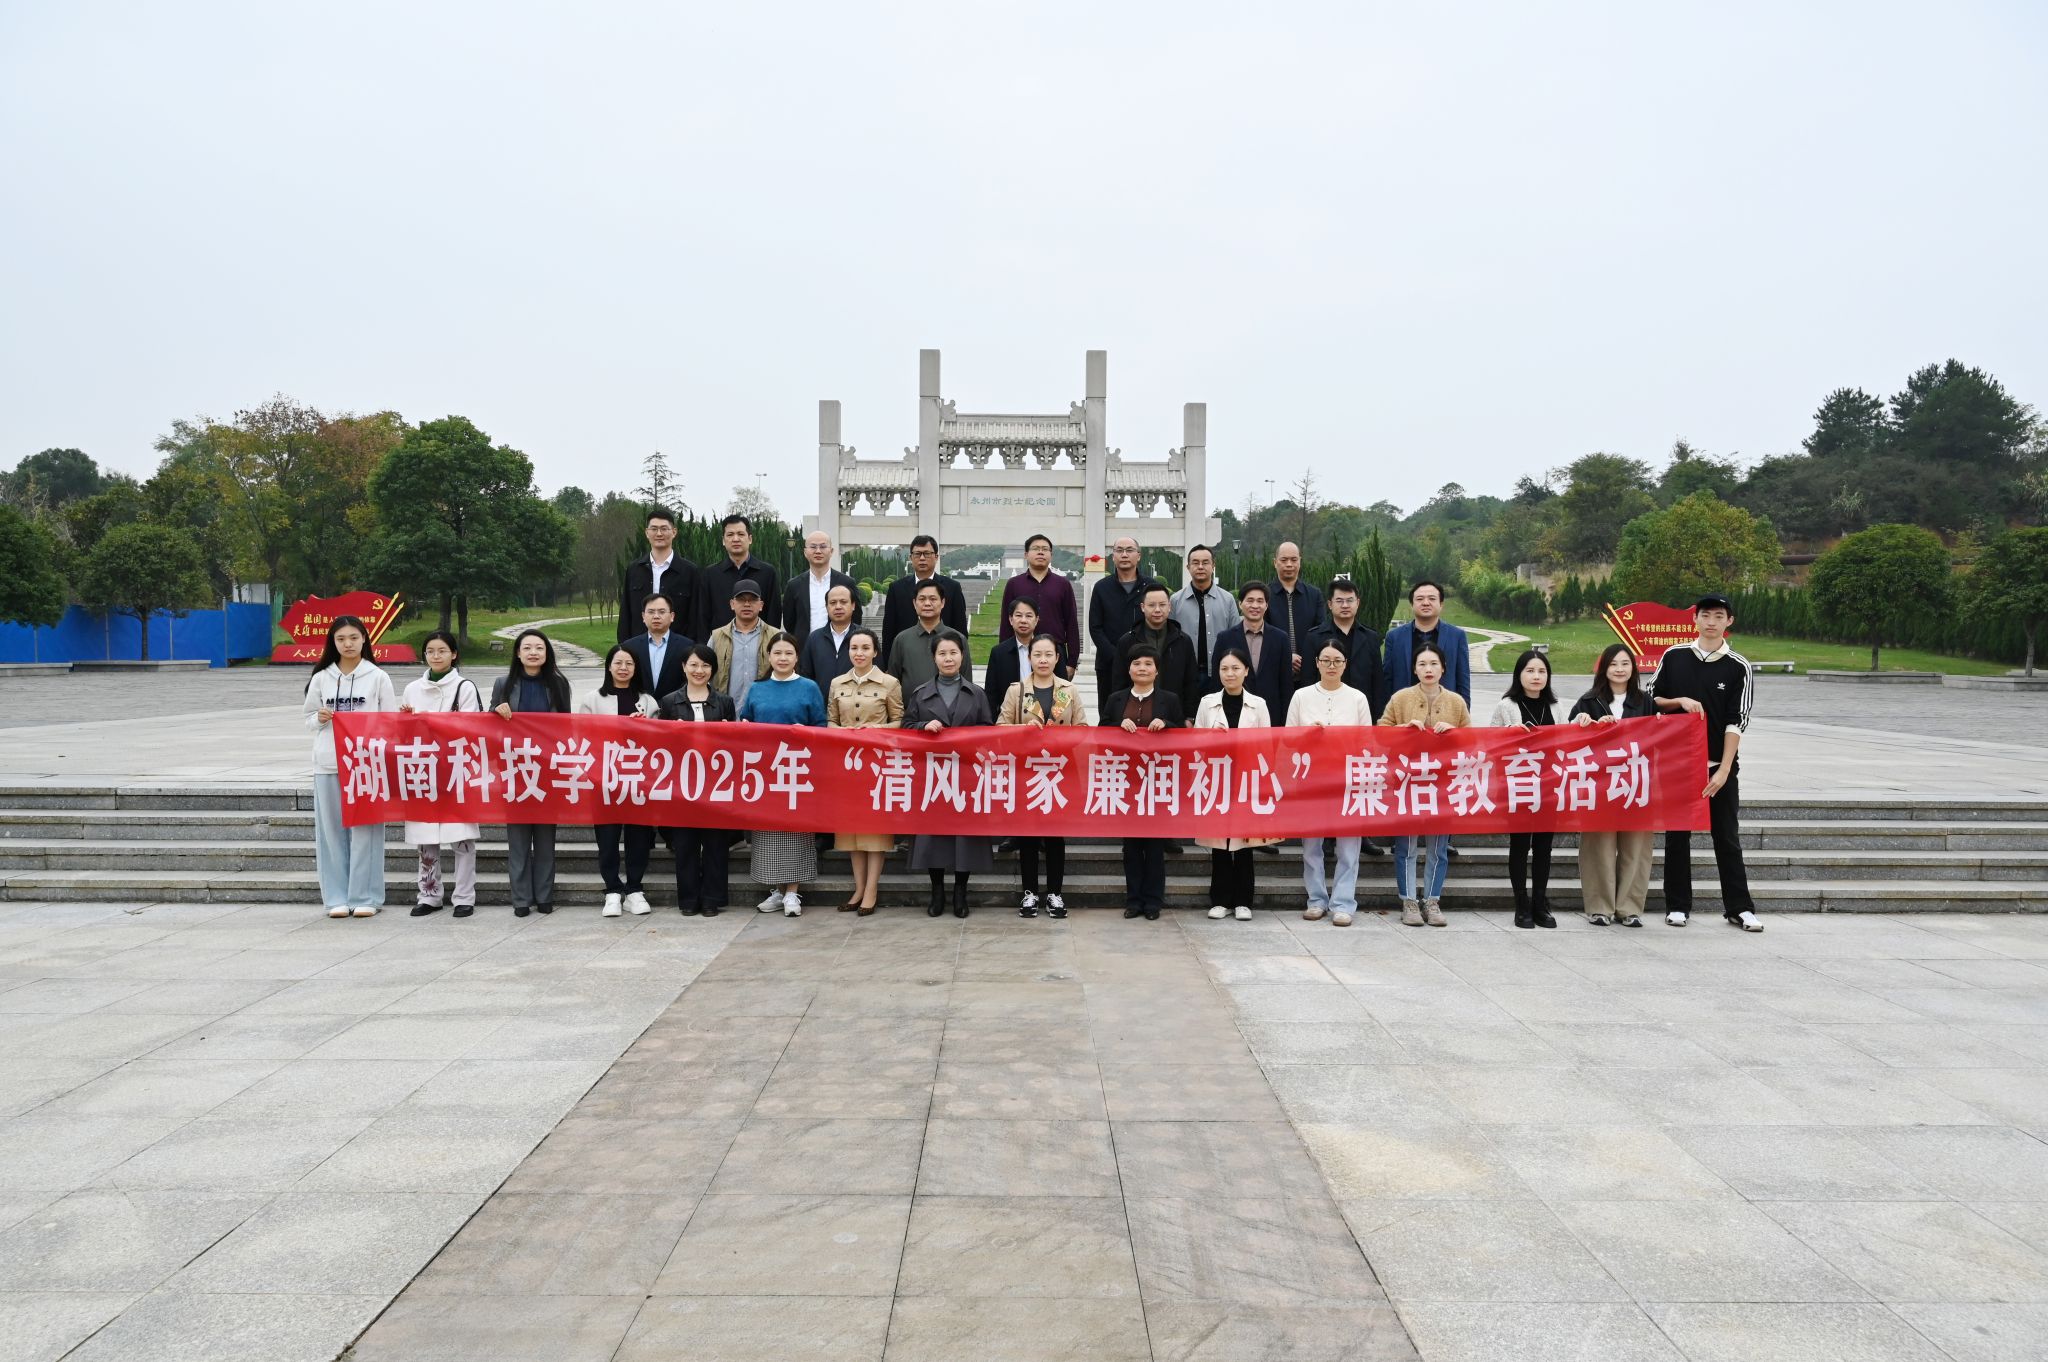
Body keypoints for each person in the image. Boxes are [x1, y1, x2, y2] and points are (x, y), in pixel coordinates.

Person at [1654, 594, 1761, 932]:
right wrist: (1679, 701)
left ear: (1729, 621)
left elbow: (1737, 721)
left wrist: (1725, 769)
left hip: (1719, 766)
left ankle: (1739, 908)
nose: (1711, 622)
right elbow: (1651, 697)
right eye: (1705, 615)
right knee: (1677, 837)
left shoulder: (1738, 666)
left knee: (1726, 836)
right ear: (1695, 619)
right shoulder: (1674, 656)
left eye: (1718, 616)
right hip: (1679, 765)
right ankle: (1677, 905)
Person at [304, 615, 399, 919]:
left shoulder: (378, 677)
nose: (348, 644)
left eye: (354, 638)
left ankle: (366, 896)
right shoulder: (322, 677)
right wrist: (318, 718)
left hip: (366, 765)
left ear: (364, 639)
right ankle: (336, 898)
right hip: (328, 763)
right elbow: (308, 718)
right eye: (341, 639)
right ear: (332, 642)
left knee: (366, 832)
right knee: (331, 832)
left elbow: (390, 721)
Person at [1379, 641, 1470, 926]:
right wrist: (1402, 729)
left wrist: (1454, 732)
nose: (1428, 669)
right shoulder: (1400, 698)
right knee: (1406, 846)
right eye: (1422, 664)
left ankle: (1432, 900)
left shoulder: (1456, 702)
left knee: (1438, 847)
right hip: (1408, 782)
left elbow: (1472, 740)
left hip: (1443, 785)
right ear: (1414, 669)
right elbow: (1381, 731)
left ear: (1443, 668)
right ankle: (1408, 901)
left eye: (1433, 664)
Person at [902, 636, 994, 919]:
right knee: (934, 835)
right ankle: (937, 890)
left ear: (962, 656)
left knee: (965, 836)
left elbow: (988, 731)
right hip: (933, 776)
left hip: (966, 775)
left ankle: (961, 891)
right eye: (942, 653)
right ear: (934, 658)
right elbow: (906, 728)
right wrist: (922, 725)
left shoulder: (976, 693)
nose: (948, 658)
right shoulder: (920, 693)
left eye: (953, 652)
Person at [997, 634, 1086, 918]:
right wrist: (1024, 731)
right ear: (1029, 658)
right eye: (1038, 655)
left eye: (1049, 654)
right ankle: (1030, 893)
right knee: (1028, 836)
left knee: (1055, 835)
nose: (1043, 660)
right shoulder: (1017, 690)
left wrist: (1063, 735)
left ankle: (1055, 894)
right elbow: (1000, 727)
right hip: (1027, 772)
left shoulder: (1068, 690)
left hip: (1060, 772)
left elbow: (1083, 728)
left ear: (1057, 658)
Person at [1286, 642, 1374, 926]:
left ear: (1345, 664)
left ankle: (1343, 903)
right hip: (1311, 779)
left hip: (1347, 779)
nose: (1331, 666)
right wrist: (1307, 734)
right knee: (1311, 845)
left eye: (1337, 660)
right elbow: (1287, 739)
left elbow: (1368, 742)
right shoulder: (1301, 696)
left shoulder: (1357, 698)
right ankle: (1316, 899)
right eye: (1326, 660)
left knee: (1348, 846)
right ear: (1316, 663)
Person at [1570, 643, 1658, 928]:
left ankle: (1629, 908)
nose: (1619, 669)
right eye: (1613, 664)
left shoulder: (1645, 701)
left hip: (1636, 785)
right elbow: (1569, 737)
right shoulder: (1588, 700)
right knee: (1599, 848)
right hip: (1599, 786)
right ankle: (1599, 907)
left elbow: (1659, 738)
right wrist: (1585, 723)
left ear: (1633, 668)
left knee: (1636, 848)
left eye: (1625, 663)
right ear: (1603, 668)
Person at [1380, 580, 1468, 860]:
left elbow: (1463, 679)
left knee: (1443, 782)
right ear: (1412, 604)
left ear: (1441, 603)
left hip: (1444, 723)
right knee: (1403, 780)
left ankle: (1444, 837)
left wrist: (1459, 719)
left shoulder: (1456, 636)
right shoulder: (1395, 637)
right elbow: (1388, 678)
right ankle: (1400, 835)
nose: (1426, 602)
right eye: (1420, 598)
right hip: (1407, 724)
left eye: (1432, 598)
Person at [739, 635, 827, 916]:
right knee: (768, 832)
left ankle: (792, 892)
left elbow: (821, 726)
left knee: (796, 830)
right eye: (777, 653)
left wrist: (805, 732)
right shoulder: (757, 688)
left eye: (789, 653)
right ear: (769, 656)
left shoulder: (809, 687)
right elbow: (746, 721)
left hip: (797, 769)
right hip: (764, 770)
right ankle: (777, 890)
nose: (783, 658)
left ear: (797, 656)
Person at [399, 630, 483, 919]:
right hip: (422, 770)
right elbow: (403, 732)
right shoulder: (412, 688)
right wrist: (407, 721)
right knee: (426, 839)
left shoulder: (464, 687)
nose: (436, 656)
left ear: (454, 654)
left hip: (455, 768)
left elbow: (472, 727)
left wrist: (432, 724)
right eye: (431, 651)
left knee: (461, 838)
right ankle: (429, 895)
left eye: (442, 651)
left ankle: (464, 897)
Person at [491, 629, 574, 917]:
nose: (533, 652)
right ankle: (521, 899)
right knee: (518, 840)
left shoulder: (559, 684)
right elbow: (487, 724)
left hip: (547, 770)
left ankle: (545, 896)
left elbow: (567, 726)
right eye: (527, 648)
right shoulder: (503, 684)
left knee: (545, 839)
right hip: (515, 770)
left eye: (539, 647)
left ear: (547, 653)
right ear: (518, 653)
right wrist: (496, 710)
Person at [1194, 648, 1281, 920]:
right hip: (1217, 779)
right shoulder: (1207, 703)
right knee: (1219, 843)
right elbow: (1195, 745)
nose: (1229, 674)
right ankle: (1220, 899)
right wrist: (1210, 737)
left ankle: (1244, 901)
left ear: (1245, 671)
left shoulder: (1259, 704)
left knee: (1245, 843)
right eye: (1224, 669)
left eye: (1235, 668)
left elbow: (1266, 746)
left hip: (1247, 778)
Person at [1101, 643, 1185, 919]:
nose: (1142, 668)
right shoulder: (1116, 699)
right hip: (1125, 782)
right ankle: (1134, 900)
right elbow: (1100, 733)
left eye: (1148, 664)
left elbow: (1183, 737)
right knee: (1132, 847)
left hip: (1157, 782)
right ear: (1129, 669)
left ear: (1156, 670)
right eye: (1137, 663)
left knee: (1155, 846)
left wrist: (1166, 725)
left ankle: (1153, 901)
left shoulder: (1169, 700)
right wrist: (1117, 726)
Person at [578, 644, 662, 917]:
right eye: (618, 663)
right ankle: (612, 890)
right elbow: (583, 738)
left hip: (638, 779)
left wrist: (643, 727)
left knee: (639, 837)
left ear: (636, 668)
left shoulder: (648, 701)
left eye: (629, 663)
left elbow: (659, 742)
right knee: (607, 838)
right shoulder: (592, 699)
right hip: (604, 780)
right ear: (609, 666)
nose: (623, 668)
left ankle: (635, 889)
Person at [827, 628, 903, 915]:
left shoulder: (889, 683)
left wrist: (877, 729)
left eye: (865, 648)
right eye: (854, 648)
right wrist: (841, 732)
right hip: (846, 766)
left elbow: (900, 721)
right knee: (851, 833)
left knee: (874, 832)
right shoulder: (837, 683)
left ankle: (871, 890)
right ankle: (858, 888)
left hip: (877, 766)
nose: (859, 653)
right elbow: (830, 720)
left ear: (875, 652)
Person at [659, 644, 736, 917]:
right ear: (684, 667)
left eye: (705, 665)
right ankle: (689, 899)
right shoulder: (669, 702)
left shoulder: (724, 702)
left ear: (712, 669)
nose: (699, 670)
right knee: (685, 843)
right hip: (682, 782)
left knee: (715, 843)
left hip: (716, 782)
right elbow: (660, 744)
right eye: (693, 665)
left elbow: (735, 745)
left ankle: (712, 898)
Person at [1488, 649, 1563, 930]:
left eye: (1541, 671)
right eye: (1530, 671)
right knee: (1520, 846)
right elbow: (1491, 744)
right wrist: (1509, 734)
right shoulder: (1506, 705)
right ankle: (1521, 904)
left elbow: (1566, 742)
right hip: (1518, 785)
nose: (1536, 676)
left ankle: (1540, 903)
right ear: (1519, 674)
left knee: (1544, 847)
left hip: (1549, 786)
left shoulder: (1555, 706)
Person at [1112, 583, 1200, 722]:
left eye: (1162, 605)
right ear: (1143, 607)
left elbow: (1191, 681)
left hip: (1173, 715)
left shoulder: (1183, 641)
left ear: (1169, 606)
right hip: (1134, 717)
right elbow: (1119, 681)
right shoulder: (1127, 641)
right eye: (1152, 605)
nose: (1157, 610)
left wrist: (1190, 717)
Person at [1089, 535, 1157, 703]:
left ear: (1138, 555)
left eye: (1129, 550)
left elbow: (1158, 621)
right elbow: (1095, 628)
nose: (1124, 555)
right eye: (1119, 550)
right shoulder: (1102, 587)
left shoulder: (1151, 587)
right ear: (1113, 556)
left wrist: (1142, 656)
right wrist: (1116, 656)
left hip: (1144, 663)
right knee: (1109, 712)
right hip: (1108, 664)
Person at [619, 506, 700, 643]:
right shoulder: (634, 570)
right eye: (654, 529)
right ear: (647, 532)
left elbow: (695, 617)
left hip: (678, 648)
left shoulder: (690, 571)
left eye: (664, 529)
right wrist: (625, 647)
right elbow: (625, 614)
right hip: (639, 647)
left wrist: (691, 649)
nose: (659, 533)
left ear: (674, 532)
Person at [1213, 581, 1292, 720]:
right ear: (1240, 604)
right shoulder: (1225, 638)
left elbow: (1286, 682)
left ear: (1266, 605)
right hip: (1234, 713)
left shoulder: (1281, 638)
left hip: (1271, 712)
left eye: (1260, 601)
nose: (1255, 605)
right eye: (1250, 600)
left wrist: (1286, 718)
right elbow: (1216, 679)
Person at [881, 534, 968, 659]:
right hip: (907, 658)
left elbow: (960, 628)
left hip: (943, 658)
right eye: (917, 554)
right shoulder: (896, 589)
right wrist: (888, 664)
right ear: (911, 557)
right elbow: (888, 631)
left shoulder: (952, 588)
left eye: (927, 554)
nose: (922, 558)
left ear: (936, 557)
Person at [998, 533, 1080, 662]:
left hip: (1054, 653)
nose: (1041, 552)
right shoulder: (1014, 584)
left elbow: (1071, 622)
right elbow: (1006, 622)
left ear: (1051, 555)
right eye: (1036, 548)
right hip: (1021, 652)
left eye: (1045, 549)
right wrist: (1004, 656)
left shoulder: (1063, 584)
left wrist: (1072, 662)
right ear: (1026, 555)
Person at [1170, 544, 1240, 687]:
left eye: (1205, 562)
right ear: (1188, 567)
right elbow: (1170, 637)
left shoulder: (1227, 599)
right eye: (1195, 563)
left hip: (1219, 673)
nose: (1200, 567)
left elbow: (1236, 636)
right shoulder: (1175, 600)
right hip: (1185, 674)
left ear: (1213, 565)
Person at [711, 579, 785, 712]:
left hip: (764, 712)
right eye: (741, 600)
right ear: (732, 604)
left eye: (752, 600)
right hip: (725, 713)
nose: (746, 604)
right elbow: (706, 673)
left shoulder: (776, 636)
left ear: (761, 605)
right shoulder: (717, 636)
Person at [884, 579, 973, 690]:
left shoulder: (958, 638)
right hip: (910, 702)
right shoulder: (902, 639)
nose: (927, 603)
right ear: (914, 603)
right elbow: (893, 681)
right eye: (922, 599)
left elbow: (966, 680)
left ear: (942, 603)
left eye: (933, 599)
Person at [700, 513, 782, 633]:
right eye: (730, 534)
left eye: (741, 534)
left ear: (750, 539)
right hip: (721, 642)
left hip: (760, 641)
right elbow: (703, 616)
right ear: (723, 540)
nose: (735, 539)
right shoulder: (710, 574)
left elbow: (774, 614)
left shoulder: (767, 573)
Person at [985, 597, 1072, 703]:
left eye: (1029, 616)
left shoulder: (1052, 649)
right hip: (1010, 710)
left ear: (1036, 620)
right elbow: (991, 694)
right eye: (1018, 615)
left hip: (1047, 710)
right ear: (1011, 619)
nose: (1023, 620)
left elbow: (1063, 688)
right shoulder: (999, 653)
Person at [783, 530, 858, 642]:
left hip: (839, 647)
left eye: (823, 547)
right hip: (804, 648)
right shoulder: (794, 585)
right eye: (813, 547)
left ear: (831, 551)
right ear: (805, 552)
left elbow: (856, 618)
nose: (818, 551)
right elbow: (789, 622)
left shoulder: (847, 583)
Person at [621, 591, 694, 701]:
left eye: (661, 612)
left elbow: (688, 680)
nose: (656, 616)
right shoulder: (629, 646)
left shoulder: (687, 646)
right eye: (651, 612)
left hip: (675, 706)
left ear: (672, 616)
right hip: (638, 706)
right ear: (643, 616)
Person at [1269, 541, 1327, 679]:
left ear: (1300, 562)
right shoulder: (1264, 595)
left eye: (1294, 560)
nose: (1289, 564)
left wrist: (1306, 658)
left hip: (1309, 670)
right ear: (1275, 562)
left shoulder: (1314, 595)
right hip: (1274, 670)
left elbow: (1321, 632)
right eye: (1284, 560)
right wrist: (1286, 655)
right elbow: (1262, 633)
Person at [798, 583, 861, 685]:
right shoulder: (814, 639)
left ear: (853, 605)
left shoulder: (865, 637)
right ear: (826, 607)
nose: (838, 607)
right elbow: (805, 676)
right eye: (833, 603)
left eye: (843, 602)